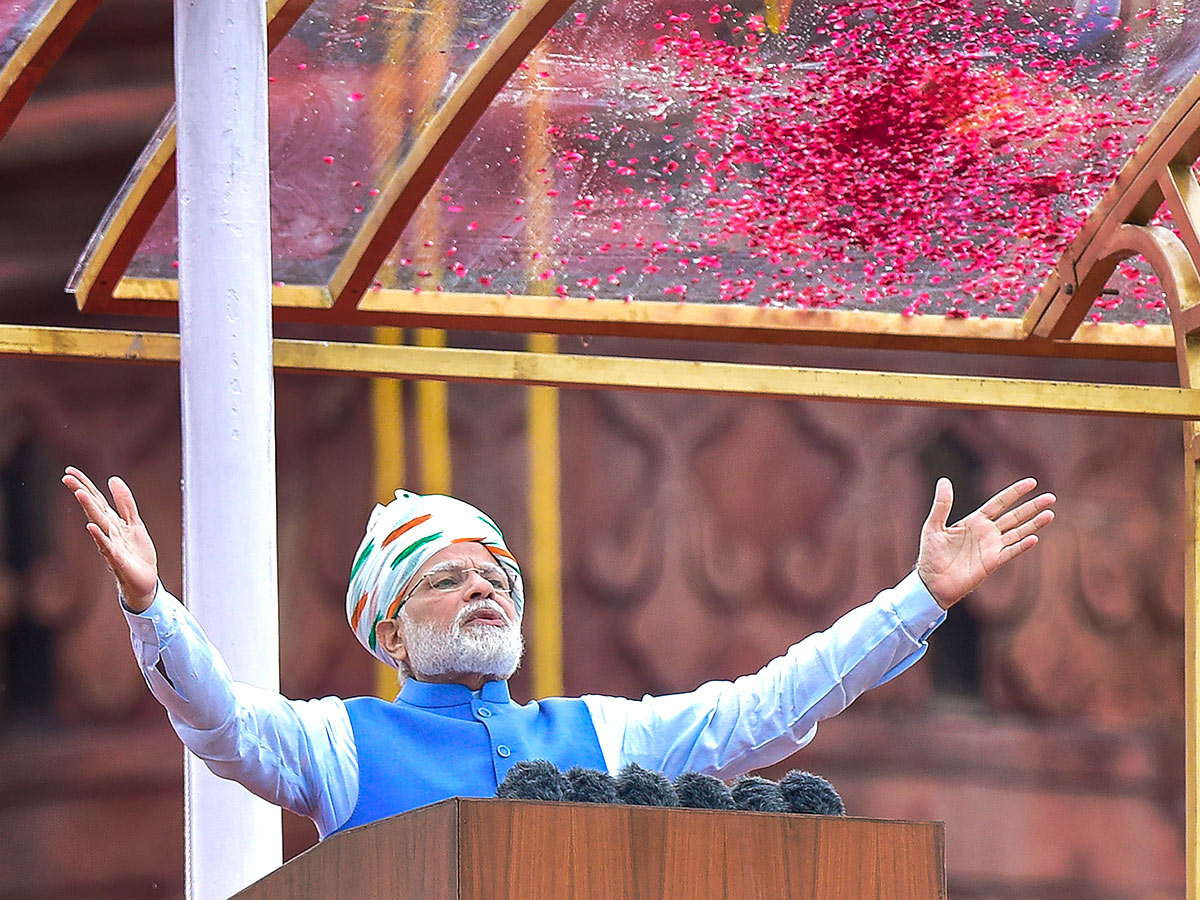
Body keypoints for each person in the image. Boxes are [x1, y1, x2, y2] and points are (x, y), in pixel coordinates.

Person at [63, 466, 1054, 839]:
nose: (483, 590)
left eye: (496, 576)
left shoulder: (603, 734)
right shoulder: (338, 745)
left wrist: (918, 597)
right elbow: (223, 722)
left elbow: (771, 708)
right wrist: (151, 604)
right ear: (395, 630)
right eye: (447, 580)